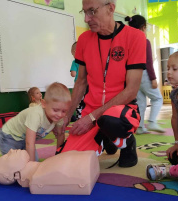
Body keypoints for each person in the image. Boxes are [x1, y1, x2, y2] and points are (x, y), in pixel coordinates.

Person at [59, 0, 146, 168]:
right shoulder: (84, 39)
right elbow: (81, 82)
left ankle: (127, 143)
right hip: (91, 111)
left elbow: (131, 91)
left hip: (121, 111)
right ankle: (106, 136)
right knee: (68, 161)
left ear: (110, 9)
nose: (86, 18)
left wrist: (92, 118)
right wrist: (67, 116)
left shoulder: (135, 37)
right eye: (83, 12)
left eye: (92, 11)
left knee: (110, 120)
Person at [0, 82, 71, 179]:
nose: (60, 114)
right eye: (56, 110)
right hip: (9, 137)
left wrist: (58, 158)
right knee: (12, 167)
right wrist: (30, 168)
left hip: (24, 139)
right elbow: (30, 143)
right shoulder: (36, 115)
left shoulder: (59, 117)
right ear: (44, 104)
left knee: (34, 165)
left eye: (64, 111)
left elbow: (60, 135)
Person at [125, 15, 164, 135]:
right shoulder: (144, 40)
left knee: (141, 103)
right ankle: (152, 121)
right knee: (157, 98)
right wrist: (153, 78)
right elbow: (148, 61)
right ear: (143, 27)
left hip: (132, 75)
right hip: (144, 74)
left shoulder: (127, 41)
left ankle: (140, 127)